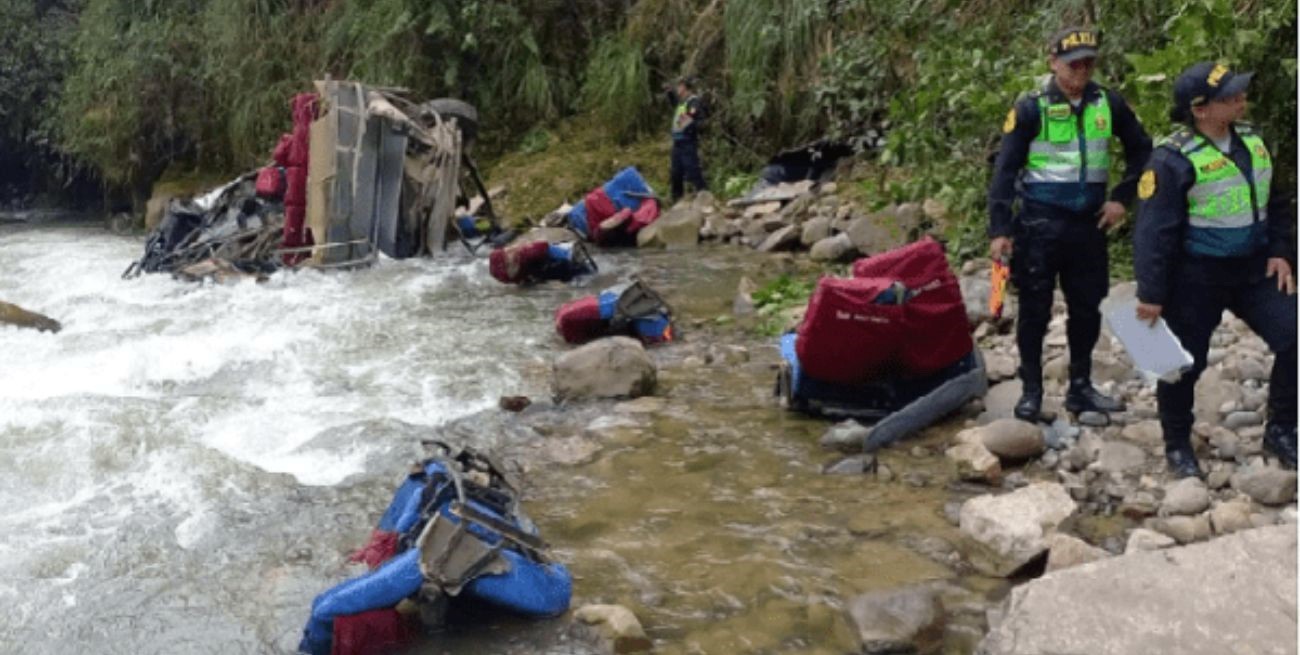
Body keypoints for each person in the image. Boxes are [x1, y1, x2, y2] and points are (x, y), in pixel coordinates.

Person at [1134, 62, 1297, 478]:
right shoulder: (1172, 160)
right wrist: (1151, 295)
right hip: (1196, 277)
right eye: (1230, 97)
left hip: (1253, 270)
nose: (1241, 100)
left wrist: (1282, 251)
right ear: (1200, 110)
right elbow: (1154, 232)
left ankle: (1281, 429)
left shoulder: (1254, 142)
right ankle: (1176, 443)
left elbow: (1276, 203)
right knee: (1182, 364)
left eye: (1240, 93)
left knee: (1294, 336)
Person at [987, 26, 1152, 422]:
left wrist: (1121, 198)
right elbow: (1005, 170)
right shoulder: (1031, 106)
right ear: (1053, 63)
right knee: (1034, 310)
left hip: (1089, 225)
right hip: (1038, 225)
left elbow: (1141, 149)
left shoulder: (1107, 103)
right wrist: (999, 230)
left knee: (1087, 308)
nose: (1081, 70)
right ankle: (1031, 390)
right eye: (1073, 63)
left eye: (1088, 63)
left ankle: (1081, 387)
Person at [665, 76, 708, 202]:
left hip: (687, 142)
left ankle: (704, 195)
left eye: (679, 86)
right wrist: (669, 93)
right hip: (678, 142)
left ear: (684, 87)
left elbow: (697, 120)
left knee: (692, 170)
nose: (677, 88)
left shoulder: (694, 102)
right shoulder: (683, 102)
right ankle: (676, 199)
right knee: (675, 172)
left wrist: (688, 124)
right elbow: (676, 105)